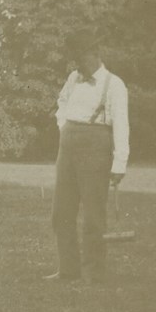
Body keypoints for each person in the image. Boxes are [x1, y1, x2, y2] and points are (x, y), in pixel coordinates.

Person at [45, 30, 129, 285]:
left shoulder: (114, 84)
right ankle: (68, 270)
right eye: (75, 59)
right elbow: (62, 102)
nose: (77, 64)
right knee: (62, 211)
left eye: (80, 58)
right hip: (68, 145)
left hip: (96, 147)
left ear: (95, 55)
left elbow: (122, 125)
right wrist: (64, 125)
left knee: (94, 214)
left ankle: (94, 273)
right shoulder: (73, 78)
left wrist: (119, 162)